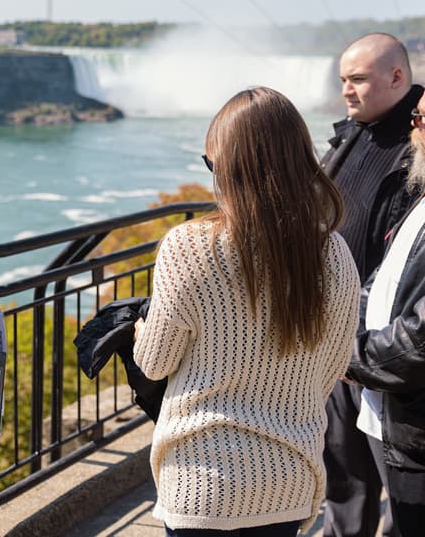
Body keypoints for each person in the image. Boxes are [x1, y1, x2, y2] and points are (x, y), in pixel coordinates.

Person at [133, 87, 360, 536]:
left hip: (201, 482)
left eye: (212, 165)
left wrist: (143, 331)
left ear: (230, 169)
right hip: (288, 481)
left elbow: (153, 364)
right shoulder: (334, 253)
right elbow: (333, 365)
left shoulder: (189, 246)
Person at [320, 33, 423, 537]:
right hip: (338, 341)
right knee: (342, 482)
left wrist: (357, 348)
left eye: (357, 79)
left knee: (400, 489)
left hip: (384, 354)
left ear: (396, 78)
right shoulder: (349, 136)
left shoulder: (417, 148)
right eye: (343, 80)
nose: (347, 91)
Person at [343, 91, 425, 536]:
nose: (414, 128)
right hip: (394, 415)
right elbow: (382, 281)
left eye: (423, 119)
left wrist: (347, 357)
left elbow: (421, 339)